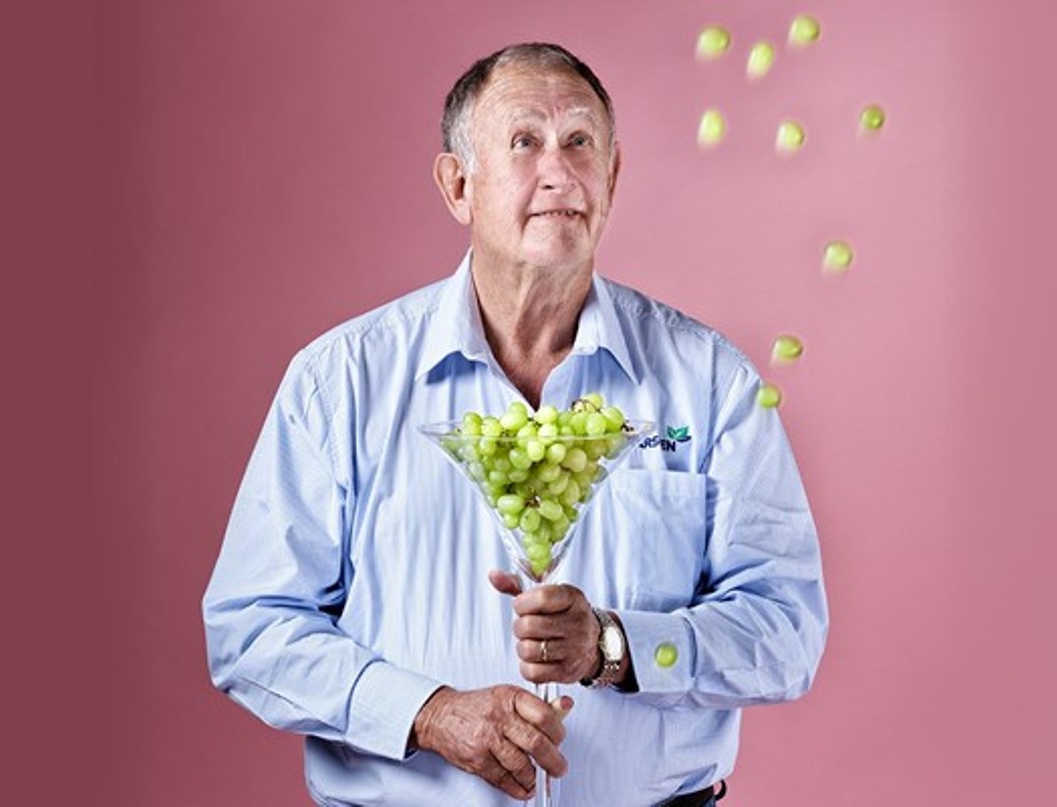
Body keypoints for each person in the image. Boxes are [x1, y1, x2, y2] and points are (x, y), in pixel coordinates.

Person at [203, 42, 828, 806]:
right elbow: (249, 627)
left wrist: (616, 645)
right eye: (525, 141)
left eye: (580, 143)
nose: (559, 172)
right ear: (458, 184)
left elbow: (787, 630)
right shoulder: (342, 381)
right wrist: (428, 713)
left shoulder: (710, 382)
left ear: (614, 176)